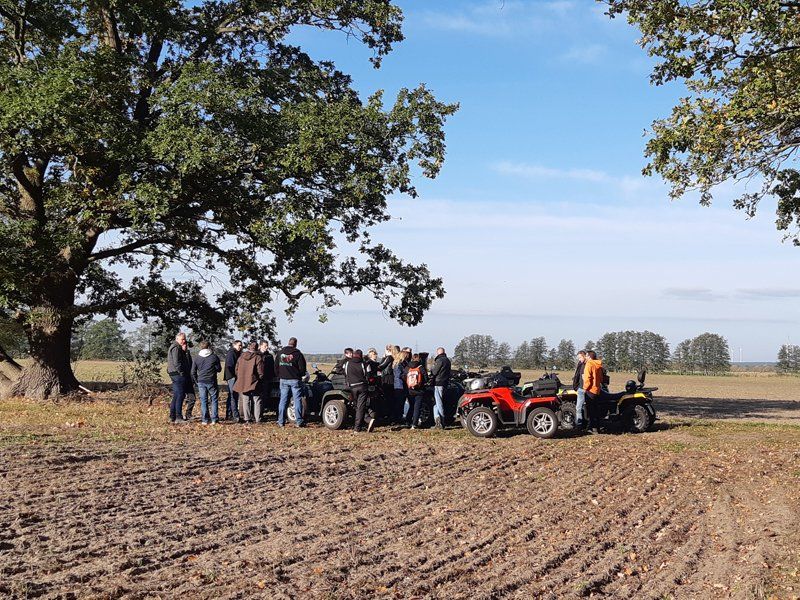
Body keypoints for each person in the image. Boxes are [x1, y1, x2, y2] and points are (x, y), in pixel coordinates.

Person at [276, 337, 307, 427]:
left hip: (283, 379)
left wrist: (279, 375)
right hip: (295, 379)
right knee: (297, 400)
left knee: (283, 400)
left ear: (288, 343)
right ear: (295, 344)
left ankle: (281, 421)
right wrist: (300, 375)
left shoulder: (280, 352)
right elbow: (302, 368)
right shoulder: (298, 354)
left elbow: (276, 366)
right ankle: (299, 421)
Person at [191, 340, 222, 425]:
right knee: (214, 399)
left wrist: (196, 380)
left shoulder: (197, 358)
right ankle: (214, 419)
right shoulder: (214, 357)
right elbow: (219, 369)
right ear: (209, 347)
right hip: (211, 381)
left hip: (201, 381)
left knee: (204, 400)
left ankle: (205, 419)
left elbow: (193, 371)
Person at [233, 341, 264, 424]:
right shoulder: (258, 357)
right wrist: (260, 378)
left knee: (245, 400)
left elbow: (236, 369)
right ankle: (258, 419)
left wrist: (240, 377)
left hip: (243, 381)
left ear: (249, 347)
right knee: (257, 400)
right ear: (257, 348)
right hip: (254, 381)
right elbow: (260, 371)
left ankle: (247, 418)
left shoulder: (241, 357)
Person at [345, 349, 374, 432]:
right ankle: (363, 423)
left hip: (352, 387)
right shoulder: (364, 364)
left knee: (356, 406)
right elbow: (369, 375)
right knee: (360, 406)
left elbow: (345, 373)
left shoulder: (347, 363)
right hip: (362, 387)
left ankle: (364, 422)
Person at [166, 332, 192, 424]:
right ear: (177, 339)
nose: (184, 341)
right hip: (177, 374)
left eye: (185, 339)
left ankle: (172, 416)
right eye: (182, 339)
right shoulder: (176, 347)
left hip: (174, 373)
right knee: (180, 395)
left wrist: (184, 351)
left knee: (176, 395)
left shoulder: (177, 347)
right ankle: (178, 417)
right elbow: (177, 362)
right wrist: (181, 373)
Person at [368, 347, 393, 422]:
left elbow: (380, 366)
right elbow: (380, 367)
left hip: (377, 384)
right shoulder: (370, 363)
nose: (375, 355)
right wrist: (388, 358)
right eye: (373, 354)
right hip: (372, 385)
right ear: (370, 355)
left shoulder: (374, 363)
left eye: (375, 354)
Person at [429, 347, 451, 430]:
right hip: (445, 382)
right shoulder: (447, 360)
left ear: (437, 353)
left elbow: (434, 372)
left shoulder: (439, 360)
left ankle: (441, 422)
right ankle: (437, 418)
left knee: (439, 402)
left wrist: (431, 369)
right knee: (436, 403)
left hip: (438, 383)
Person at [404, 353, 428, 429]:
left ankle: (407, 421)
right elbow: (426, 378)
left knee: (411, 406)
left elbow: (403, 376)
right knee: (417, 407)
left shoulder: (407, 367)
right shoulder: (420, 367)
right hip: (419, 390)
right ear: (419, 359)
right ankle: (414, 424)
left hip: (410, 390)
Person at [583, 350, 605, 434]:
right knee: (596, 410)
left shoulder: (589, 364)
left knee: (590, 411)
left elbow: (587, 378)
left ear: (589, 357)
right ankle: (597, 427)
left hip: (590, 390)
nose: (586, 358)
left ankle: (593, 429)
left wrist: (585, 388)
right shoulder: (598, 365)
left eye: (587, 356)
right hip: (597, 389)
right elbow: (601, 378)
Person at [224, 340, 243, 421]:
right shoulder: (231, 353)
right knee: (233, 396)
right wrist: (235, 375)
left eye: (241, 345)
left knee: (231, 396)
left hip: (232, 376)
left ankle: (229, 414)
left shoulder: (237, 353)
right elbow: (230, 365)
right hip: (232, 377)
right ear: (234, 345)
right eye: (239, 345)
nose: (241, 347)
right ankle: (235, 415)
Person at [258, 340, 275, 421]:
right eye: (265, 346)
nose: (266, 347)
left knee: (264, 397)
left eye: (267, 346)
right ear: (260, 346)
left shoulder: (269, 356)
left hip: (266, 379)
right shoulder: (256, 355)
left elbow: (272, 368)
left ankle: (261, 414)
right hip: (257, 379)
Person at [392, 347, 409, 424]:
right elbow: (398, 375)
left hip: (400, 385)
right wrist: (406, 376)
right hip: (399, 385)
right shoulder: (398, 365)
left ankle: (399, 416)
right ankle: (397, 417)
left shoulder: (399, 364)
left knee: (401, 402)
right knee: (399, 402)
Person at [572, 350, 587, 429]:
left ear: (584, 356)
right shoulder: (581, 364)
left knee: (578, 408)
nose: (579, 359)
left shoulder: (586, 365)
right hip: (581, 388)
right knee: (581, 407)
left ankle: (579, 425)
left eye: (580, 357)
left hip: (583, 389)